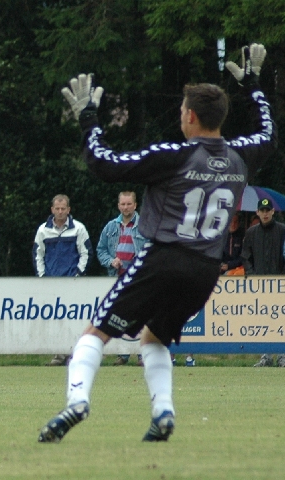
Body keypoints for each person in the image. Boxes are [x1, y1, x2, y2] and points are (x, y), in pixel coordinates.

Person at [38, 43, 276, 443]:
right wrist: (254, 85)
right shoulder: (242, 156)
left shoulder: (176, 155)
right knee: (154, 338)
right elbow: (268, 131)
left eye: (183, 110)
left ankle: (77, 402)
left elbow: (105, 165)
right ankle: (163, 413)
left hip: (163, 256)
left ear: (191, 117)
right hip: (205, 271)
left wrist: (88, 118)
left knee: (95, 333)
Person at [33, 194, 93, 366]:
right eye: (57, 209)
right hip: (52, 283)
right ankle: (59, 356)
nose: (60, 212)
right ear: (52, 210)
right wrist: (43, 278)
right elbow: (38, 255)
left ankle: (75, 355)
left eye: (63, 208)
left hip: (73, 282)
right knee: (55, 321)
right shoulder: (43, 230)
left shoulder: (79, 229)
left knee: (75, 320)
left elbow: (86, 253)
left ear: (68, 209)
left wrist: (78, 275)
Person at [96, 192, 147, 367]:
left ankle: (141, 354)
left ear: (135, 205)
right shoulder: (110, 227)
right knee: (118, 317)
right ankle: (122, 354)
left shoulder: (145, 226)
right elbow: (101, 250)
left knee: (141, 317)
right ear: (119, 206)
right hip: (116, 279)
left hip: (139, 279)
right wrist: (111, 261)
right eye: (123, 204)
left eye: (129, 204)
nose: (126, 207)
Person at [241, 198, 285, 367]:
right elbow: (246, 257)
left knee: (281, 319)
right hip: (259, 284)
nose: (265, 214)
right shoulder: (251, 233)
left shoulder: (282, 230)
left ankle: (282, 356)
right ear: (257, 212)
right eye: (262, 210)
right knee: (262, 319)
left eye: (268, 210)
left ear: (273, 211)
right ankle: (265, 356)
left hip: (280, 283)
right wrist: (252, 276)